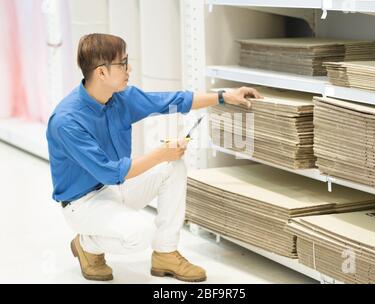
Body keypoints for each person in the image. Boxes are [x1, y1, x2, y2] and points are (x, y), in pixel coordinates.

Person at [46, 33, 262, 282]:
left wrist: (224, 96)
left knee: (172, 165)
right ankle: (88, 244)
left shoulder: (120, 99)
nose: (130, 68)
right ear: (101, 73)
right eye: (123, 63)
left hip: (113, 188)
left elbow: (171, 100)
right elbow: (110, 172)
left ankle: (165, 253)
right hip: (82, 203)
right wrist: (160, 154)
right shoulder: (67, 121)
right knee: (140, 234)